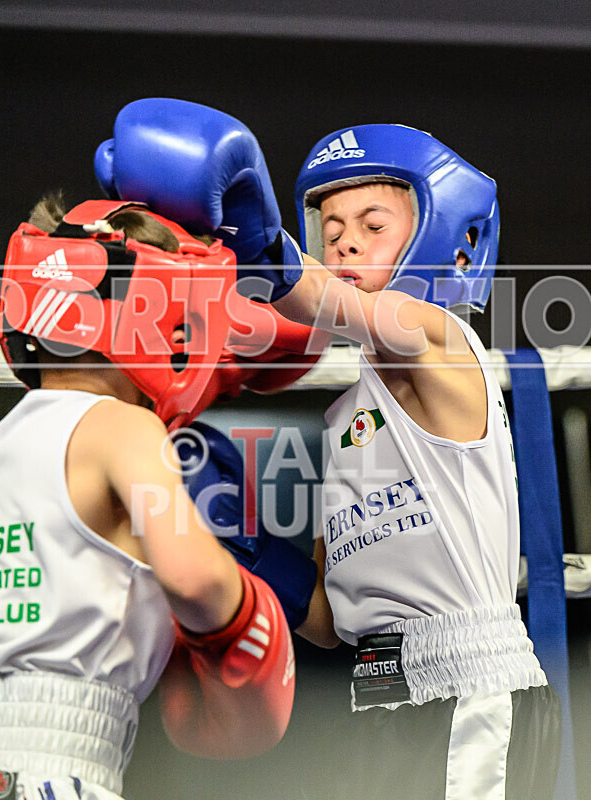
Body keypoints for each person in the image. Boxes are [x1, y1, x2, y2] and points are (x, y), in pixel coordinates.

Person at [92, 99, 562, 799]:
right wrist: (244, 546)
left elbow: (321, 299)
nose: (344, 244)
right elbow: (329, 621)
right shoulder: (349, 417)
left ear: (446, 242)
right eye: (331, 229)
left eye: (373, 226)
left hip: (471, 691)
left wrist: (254, 236)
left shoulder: (440, 341)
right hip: (378, 699)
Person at [0, 195, 295, 800]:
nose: (184, 337)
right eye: (177, 318)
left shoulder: (3, 440)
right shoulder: (126, 428)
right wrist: (244, 613)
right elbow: (195, 579)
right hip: (59, 769)